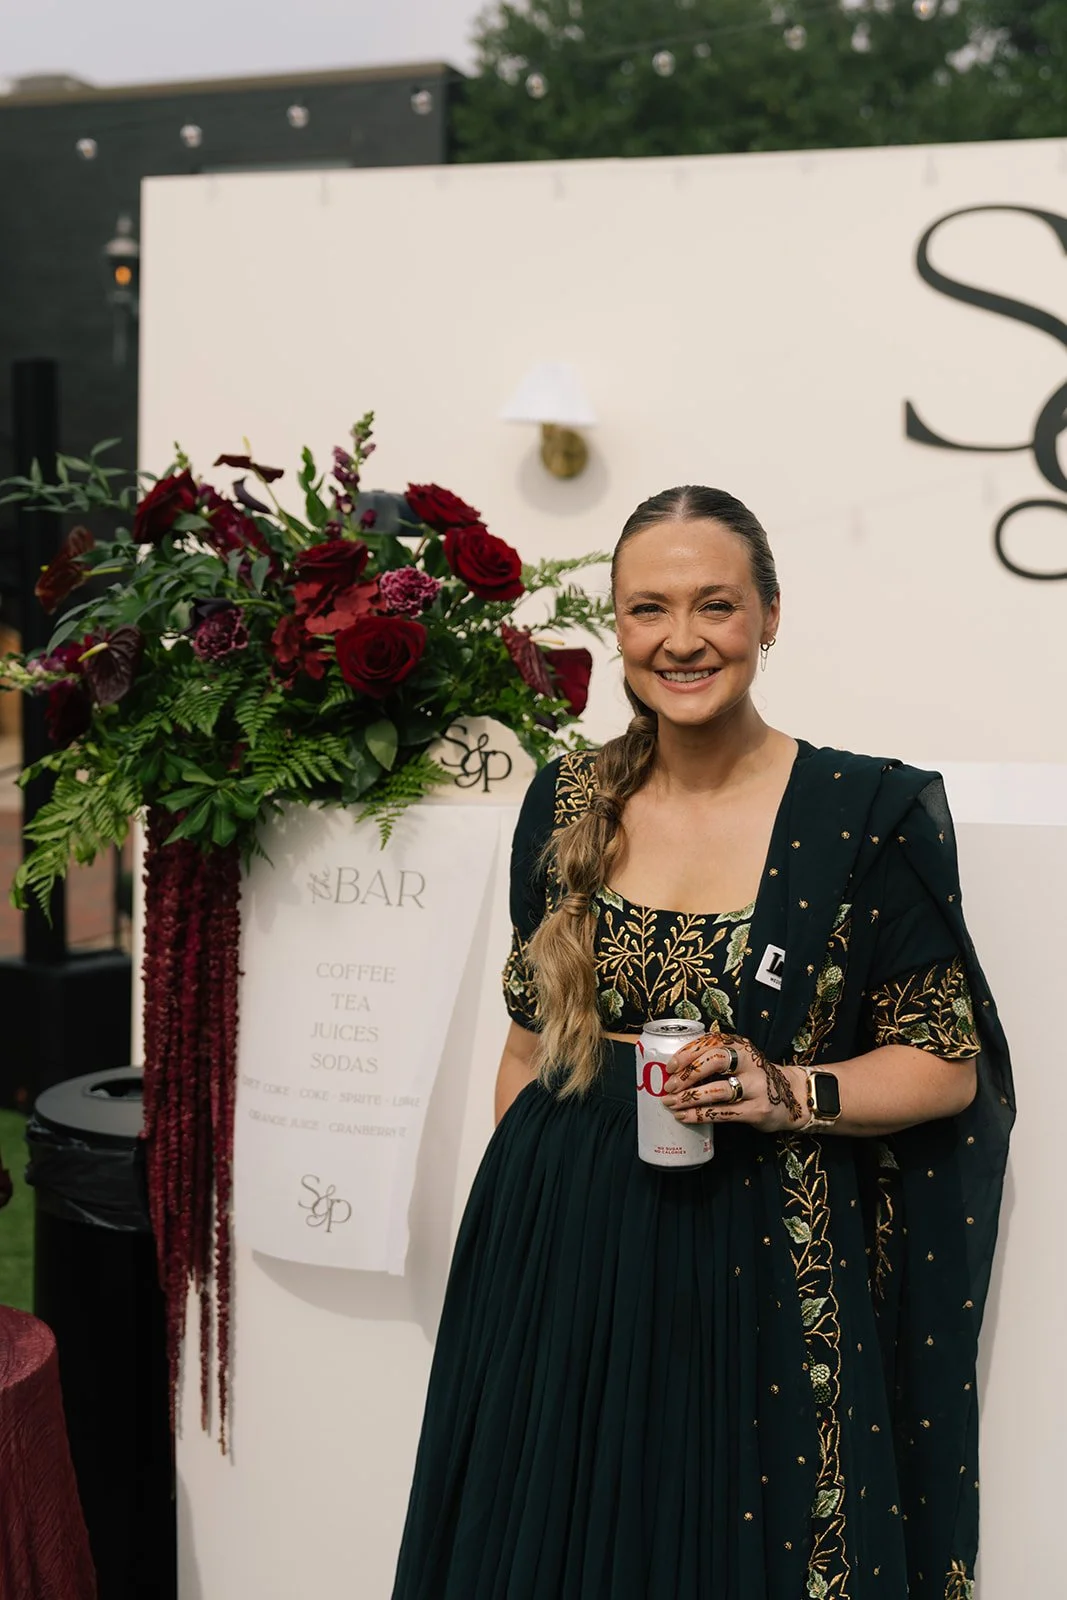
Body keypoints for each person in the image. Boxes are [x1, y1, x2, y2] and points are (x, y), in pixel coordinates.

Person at [391, 486, 1013, 1600]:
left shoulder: (862, 811)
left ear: (769, 616)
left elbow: (942, 1064)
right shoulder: (566, 793)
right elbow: (529, 1052)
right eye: (647, 609)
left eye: (715, 604)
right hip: (558, 1247)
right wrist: (529, 1259)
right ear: (617, 627)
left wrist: (784, 1090)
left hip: (766, 1256)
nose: (681, 638)